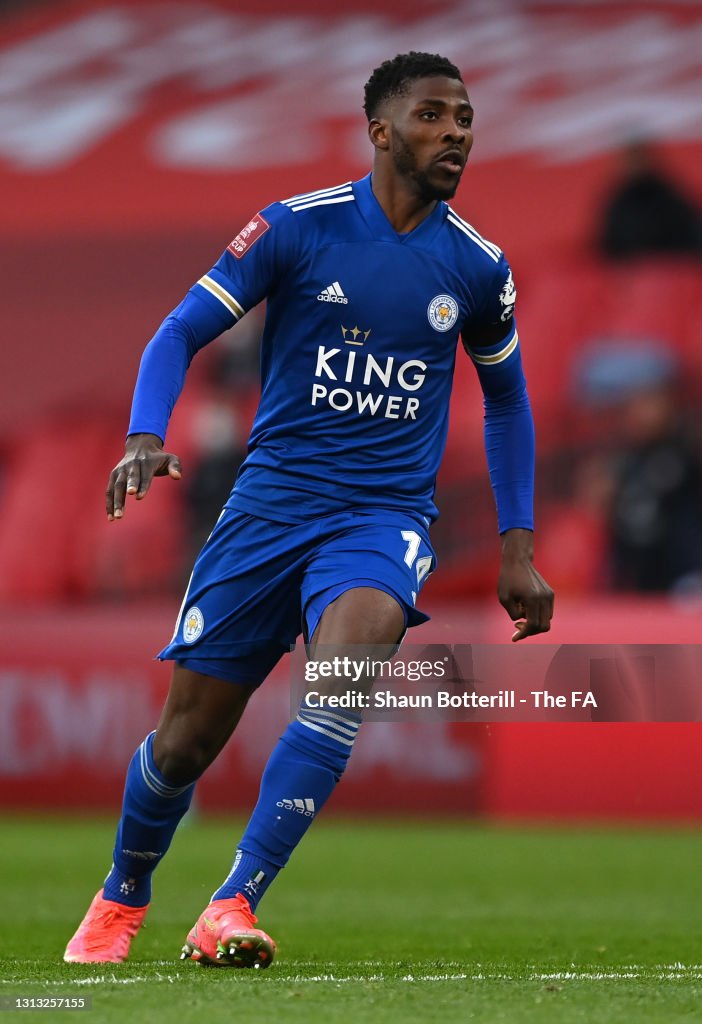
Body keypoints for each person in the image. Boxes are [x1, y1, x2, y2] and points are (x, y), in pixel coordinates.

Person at [64, 51, 554, 969]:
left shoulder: (478, 268)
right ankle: (123, 894)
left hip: (383, 517)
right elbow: (180, 329)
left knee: (343, 682)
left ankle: (233, 901)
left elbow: (508, 403)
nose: (456, 133)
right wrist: (142, 434)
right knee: (186, 742)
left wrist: (518, 544)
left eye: (465, 118)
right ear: (380, 128)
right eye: (433, 116)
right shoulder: (295, 230)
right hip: (270, 510)